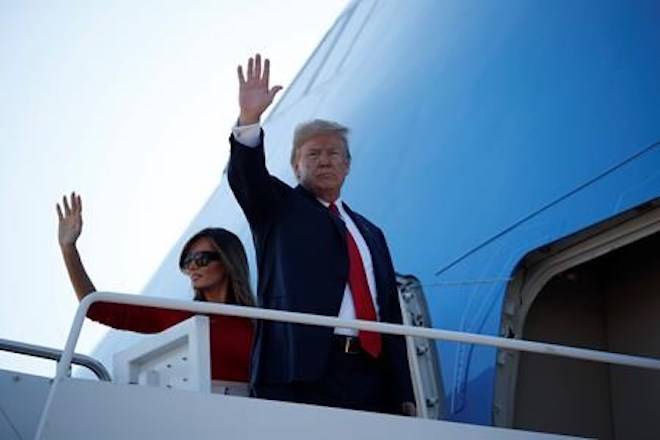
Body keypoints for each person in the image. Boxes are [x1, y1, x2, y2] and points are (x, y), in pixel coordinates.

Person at [227, 54, 416, 415]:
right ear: (295, 166)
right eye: (312, 154)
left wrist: (403, 389)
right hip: (302, 372)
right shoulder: (277, 208)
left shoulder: (371, 233)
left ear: (347, 166)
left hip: (371, 375)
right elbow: (246, 176)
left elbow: (389, 313)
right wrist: (250, 121)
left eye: (333, 153)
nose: (325, 160)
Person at [56, 192, 254, 384]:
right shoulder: (182, 318)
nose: (192, 267)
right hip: (196, 411)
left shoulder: (260, 323)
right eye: (187, 262)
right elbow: (97, 307)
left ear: (228, 262)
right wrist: (69, 249)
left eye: (201, 259)